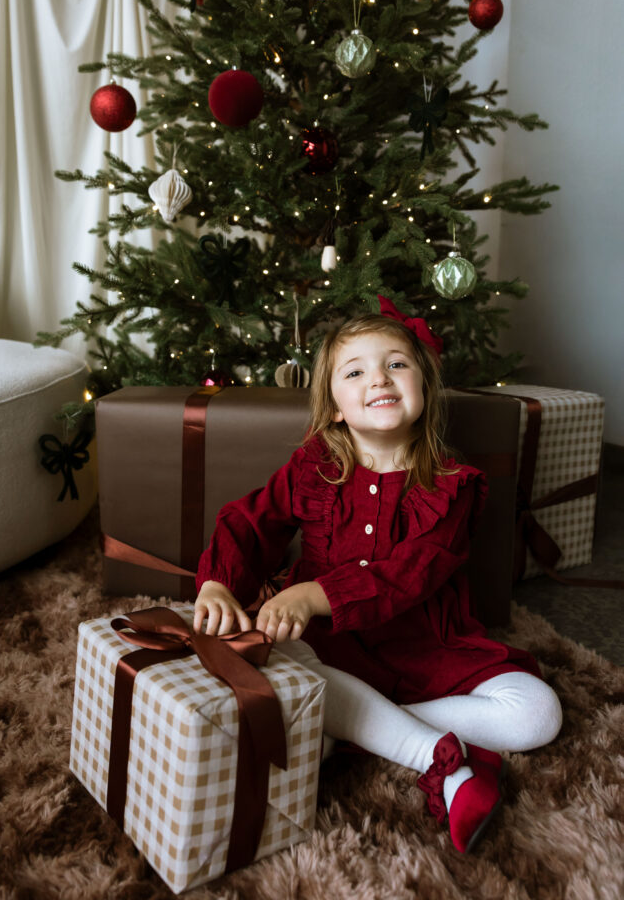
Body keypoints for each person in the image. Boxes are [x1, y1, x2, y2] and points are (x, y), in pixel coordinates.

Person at [193, 296, 562, 854]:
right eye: (356, 370)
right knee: (277, 659)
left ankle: (362, 727)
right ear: (335, 405)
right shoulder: (314, 466)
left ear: (423, 388)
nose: (380, 377)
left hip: (426, 644)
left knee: (539, 713)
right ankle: (441, 763)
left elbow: (410, 573)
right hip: (329, 645)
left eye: (397, 363)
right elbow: (251, 522)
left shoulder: (452, 485)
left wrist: (317, 592)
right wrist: (219, 582)